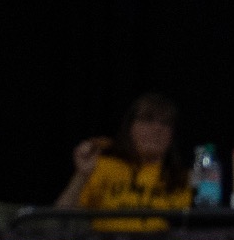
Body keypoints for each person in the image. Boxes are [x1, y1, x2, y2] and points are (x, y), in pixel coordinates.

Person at [57, 93, 194, 230]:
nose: (157, 128)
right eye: (148, 120)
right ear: (130, 128)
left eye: (166, 123)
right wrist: (82, 175)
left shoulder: (183, 178)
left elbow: (194, 227)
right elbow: (58, 222)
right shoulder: (104, 166)